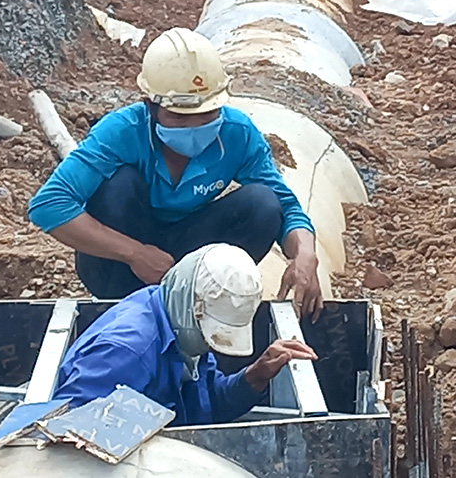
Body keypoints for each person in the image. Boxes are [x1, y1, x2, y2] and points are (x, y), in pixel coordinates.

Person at [28, 27, 323, 319]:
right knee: (119, 185)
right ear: (151, 106)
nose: (194, 126)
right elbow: (50, 205)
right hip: (121, 261)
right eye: (180, 117)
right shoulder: (123, 131)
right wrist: (136, 254)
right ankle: (124, 308)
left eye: (208, 115)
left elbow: (286, 205)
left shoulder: (237, 133)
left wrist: (304, 255)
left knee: (263, 204)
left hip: (188, 251)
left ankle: (206, 305)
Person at [54, 244, 318, 425]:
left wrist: (255, 376)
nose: (210, 344)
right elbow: (71, 438)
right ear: (193, 305)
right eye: (212, 333)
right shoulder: (126, 351)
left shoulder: (178, 324)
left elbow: (206, 404)